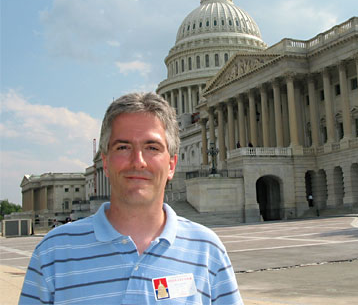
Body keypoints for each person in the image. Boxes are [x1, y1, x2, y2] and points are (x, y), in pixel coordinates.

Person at [19, 92, 243, 304]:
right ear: (105, 163)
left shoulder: (207, 250)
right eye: (123, 147)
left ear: (172, 164)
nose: (138, 161)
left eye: (152, 147)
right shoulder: (52, 253)